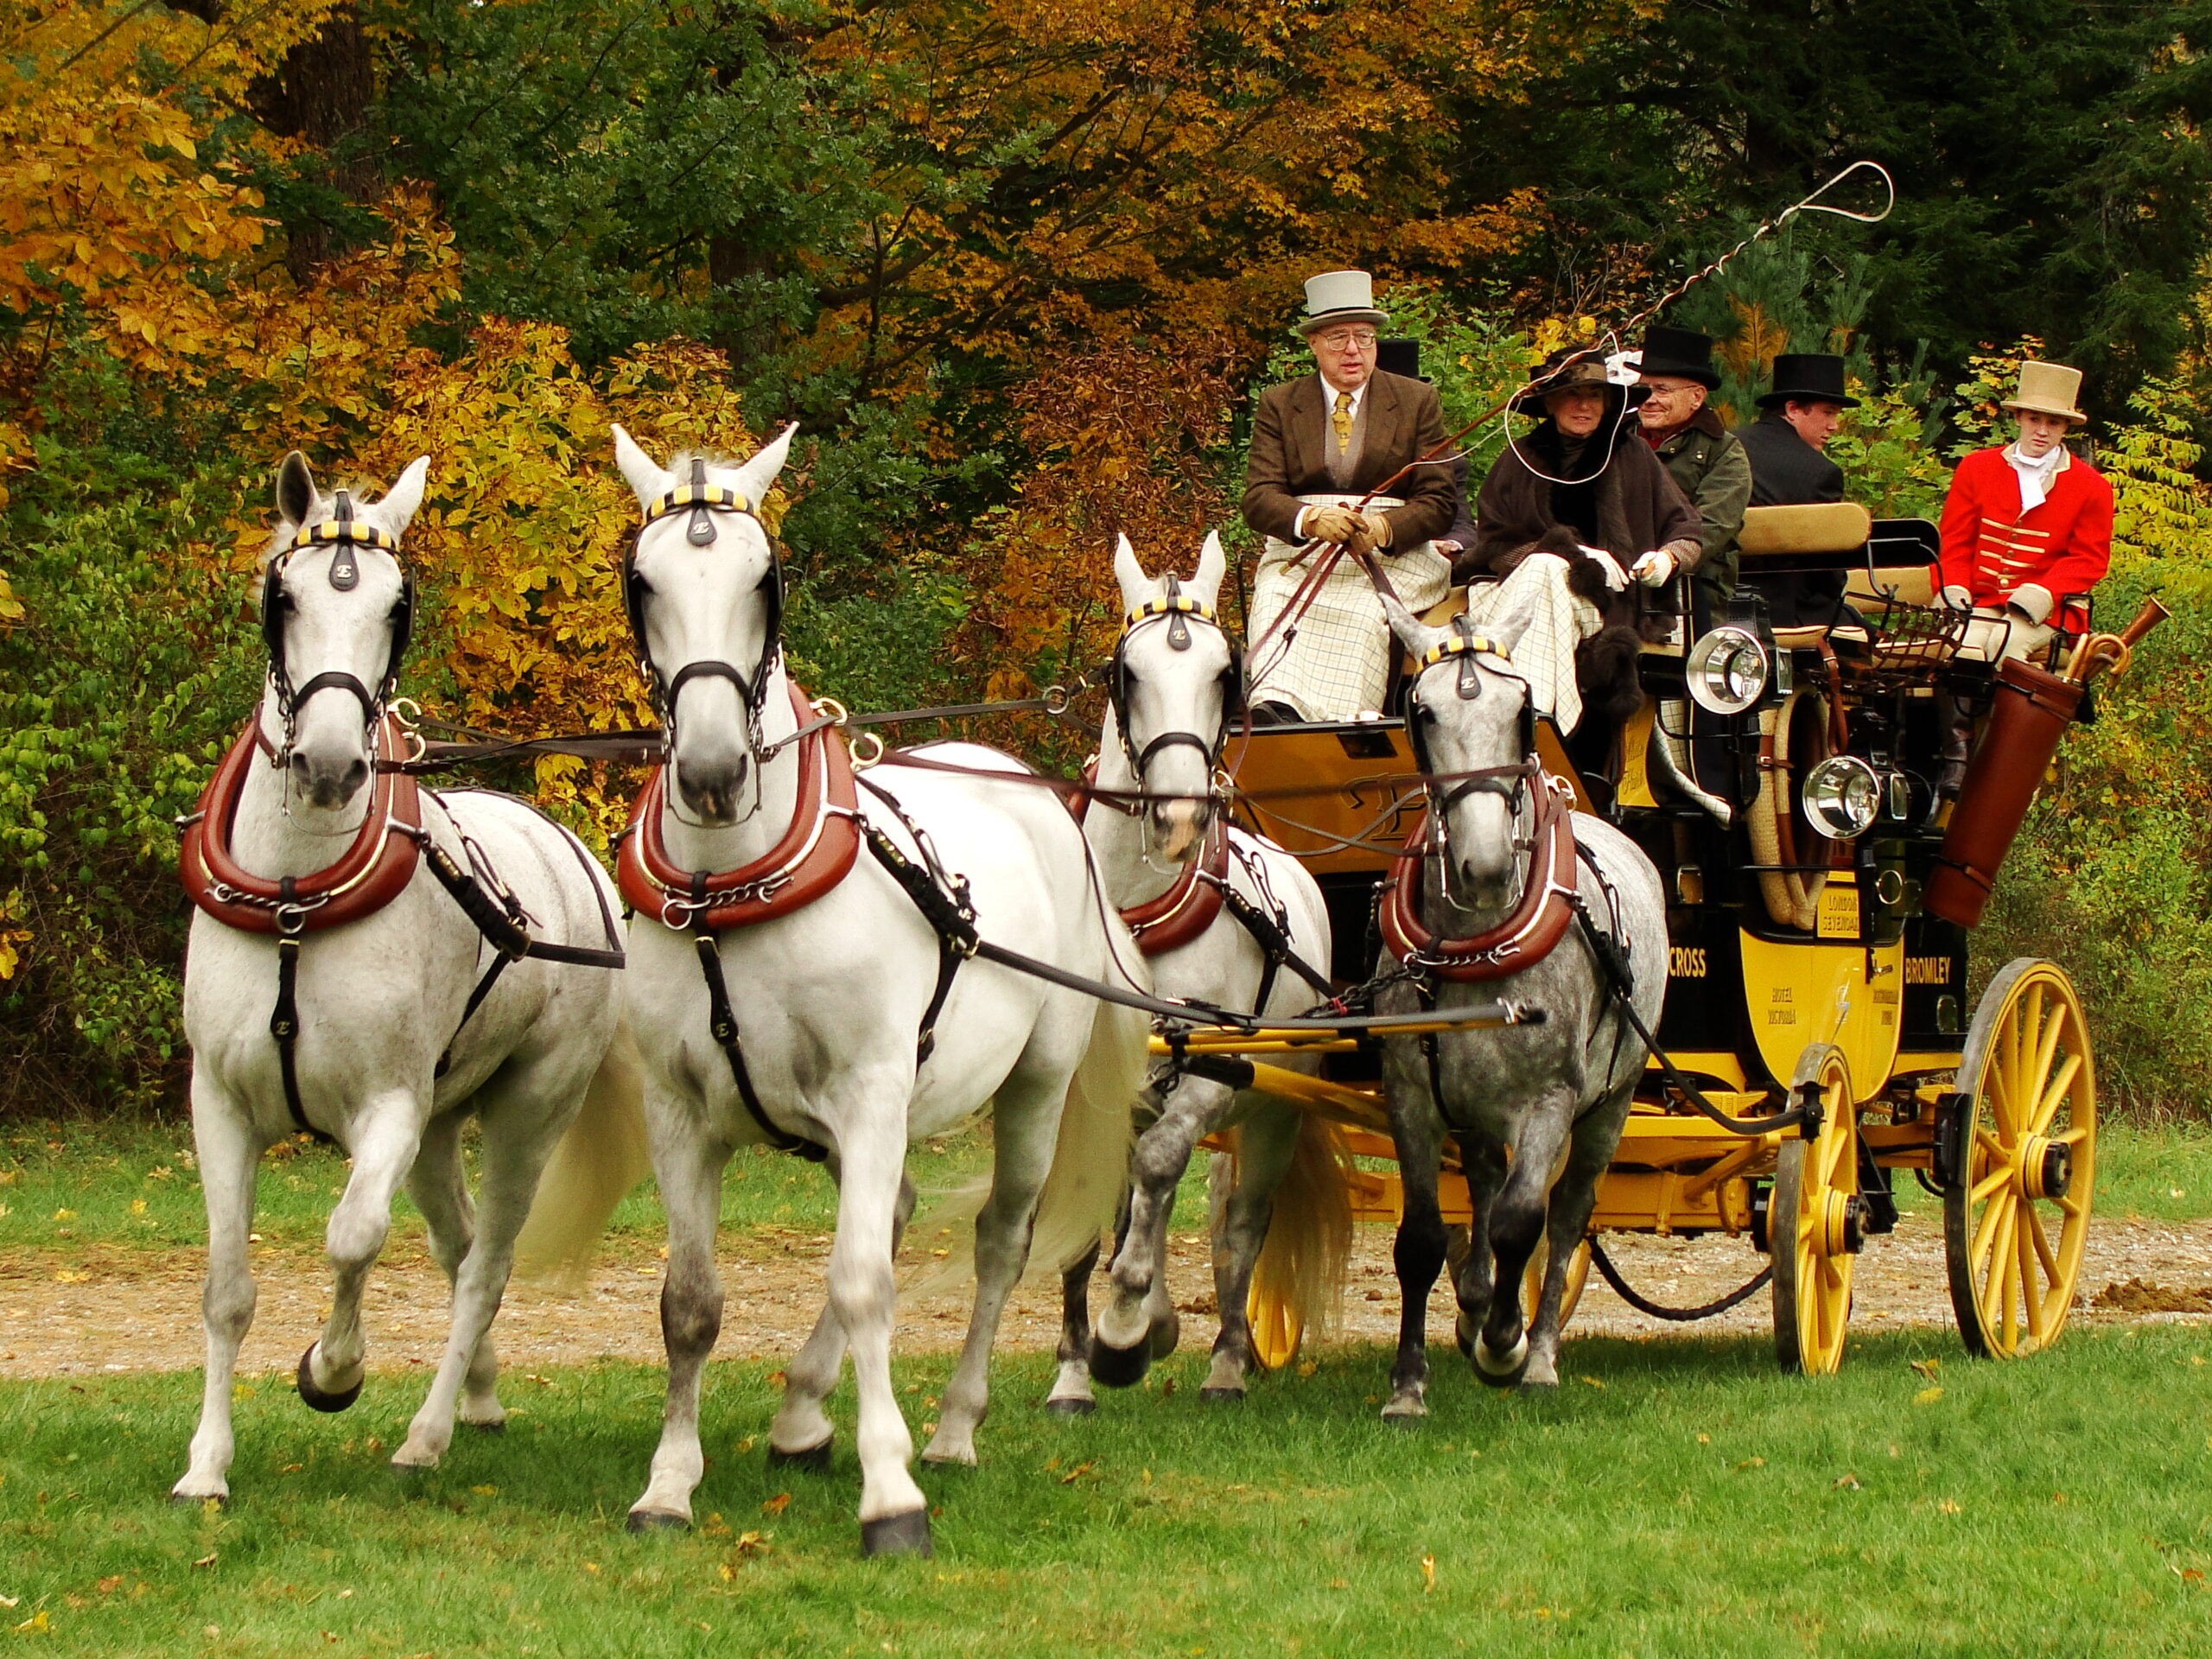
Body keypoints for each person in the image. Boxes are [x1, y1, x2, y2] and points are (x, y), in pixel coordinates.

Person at [1242, 271, 1459, 721]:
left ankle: (1345, 726)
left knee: (1364, 614)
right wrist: (1310, 519)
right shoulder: (1279, 404)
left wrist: (1383, 528)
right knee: (1273, 600)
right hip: (1302, 552)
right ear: (1314, 344)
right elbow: (1260, 497)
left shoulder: (1418, 400)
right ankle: (1275, 713)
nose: (1353, 350)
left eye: (1364, 337)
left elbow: (1439, 499)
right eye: (1338, 338)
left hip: (1393, 557)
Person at [1466, 346, 1701, 745]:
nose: (1584, 406)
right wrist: (1563, 554)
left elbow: (1688, 531)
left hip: (1613, 602)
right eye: (1573, 395)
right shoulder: (1520, 457)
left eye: (1594, 395)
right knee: (1546, 570)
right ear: (1551, 402)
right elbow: (1491, 547)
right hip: (1522, 594)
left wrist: (1666, 560)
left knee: (1546, 574)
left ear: (1608, 402)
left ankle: (1528, 722)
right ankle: (1542, 721)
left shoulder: (1633, 454)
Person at [1936, 360, 2113, 665]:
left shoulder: (2092, 487)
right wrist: (1954, 586)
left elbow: (2089, 559)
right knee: (1963, 647)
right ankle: (1966, 715)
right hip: (1984, 599)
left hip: (2050, 609)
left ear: (2066, 427)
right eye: (2034, 419)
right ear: (2017, 417)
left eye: (2054, 423)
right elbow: (1955, 540)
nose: (2042, 431)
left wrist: (2043, 593)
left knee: (2006, 644)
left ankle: (2009, 715)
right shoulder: (1977, 468)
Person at [1635, 325, 1751, 622]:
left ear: (1697, 397)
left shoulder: (1724, 451)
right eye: (1643, 388)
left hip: (1694, 586)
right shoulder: (1616, 440)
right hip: (1619, 578)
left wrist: (1669, 559)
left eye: (1662, 390)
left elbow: (1714, 524)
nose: (1648, 399)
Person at [1733, 353, 1855, 628]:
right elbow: (1827, 576)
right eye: (1828, 412)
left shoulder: (1728, 445)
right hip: (1787, 614)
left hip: (1713, 606)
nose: (1834, 426)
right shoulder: (1820, 472)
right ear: (1792, 409)